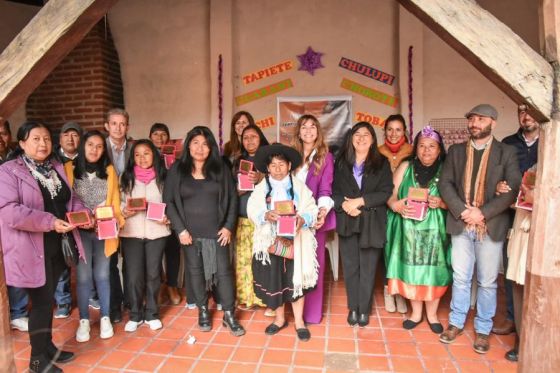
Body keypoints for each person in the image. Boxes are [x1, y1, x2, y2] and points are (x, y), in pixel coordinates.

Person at [0, 121, 86, 373]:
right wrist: (50, 222)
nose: (42, 143)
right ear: (22, 143)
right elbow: (9, 212)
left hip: (56, 245)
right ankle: (37, 361)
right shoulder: (8, 171)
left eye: (47, 138)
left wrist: (83, 214)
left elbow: (71, 200)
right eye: (35, 138)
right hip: (30, 247)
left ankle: (47, 347)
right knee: (39, 303)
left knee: (47, 300)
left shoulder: (55, 167)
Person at [438, 104, 521, 354]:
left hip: (490, 225)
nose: (474, 123)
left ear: (493, 123)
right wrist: (464, 211)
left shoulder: (506, 152)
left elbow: (512, 190)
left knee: (487, 281)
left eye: (480, 119)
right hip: (461, 222)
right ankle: (455, 322)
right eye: (472, 119)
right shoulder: (456, 151)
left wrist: (481, 213)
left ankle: (483, 329)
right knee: (461, 277)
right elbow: (445, 183)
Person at [164, 126, 245, 336]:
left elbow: (233, 199)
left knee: (224, 273)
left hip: (218, 233)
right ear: (188, 145)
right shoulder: (176, 170)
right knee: (195, 272)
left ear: (211, 148)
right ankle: (202, 310)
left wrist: (228, 227)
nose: (200, 148)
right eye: (196, 143)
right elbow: (169, 202)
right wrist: (180, 230)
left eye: (205, 144)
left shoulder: (221, 169)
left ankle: (228, 313)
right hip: (189, 235)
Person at [247, 143, 318, 341]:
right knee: (274, 280)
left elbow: (311, 208)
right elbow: (251, 208)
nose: (277, 169)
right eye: (273, 165)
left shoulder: (299, 187)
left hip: (296, 241)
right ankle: (279, 319)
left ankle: (299, 322)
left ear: (289, 166)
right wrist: (265, 214)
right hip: (270, 243)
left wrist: (303, 218)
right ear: (268, 168)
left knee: (296, 282)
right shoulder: (262, 188)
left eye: (281, 164)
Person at [385, 126, 450, 334]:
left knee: (434, 270)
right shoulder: (406, 166)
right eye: (422, 146)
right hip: (408, 227)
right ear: (416, 148)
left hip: (435, 229)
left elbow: (457, 202)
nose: (426, 151)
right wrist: (395, 204)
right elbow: (390, 193)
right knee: (410, 267)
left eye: (432, 146)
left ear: (439, 150)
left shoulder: (447, 168)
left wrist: (441, 203)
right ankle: (415, 313)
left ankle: (432, 315)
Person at [64, 130, 124, 343]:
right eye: (90, 144)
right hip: (80, 233)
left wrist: (116, 221)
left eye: (99, 146)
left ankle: (105, 316)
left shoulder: (109, 171)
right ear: (83, 145)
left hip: (103, 232)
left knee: (103, 275)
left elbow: (115, 203)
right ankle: (84, 320)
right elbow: (65, 202)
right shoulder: (69, 169)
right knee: (83, 277)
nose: (94, 150)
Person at [332, 122, 393, 327]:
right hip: (348, 219)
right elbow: (334, 191)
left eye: (366, 134)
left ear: (373, 139)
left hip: (372, 221)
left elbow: (386, 192)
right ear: (351, 138)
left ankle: (364, 309)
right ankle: (353, 307)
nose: (361, 138)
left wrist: (360, 201)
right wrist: (345, 205)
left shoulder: (381, 162)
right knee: (350, 267)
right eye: (357, 134)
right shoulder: (340, 162)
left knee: (368, 267)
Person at [492, 104, 539, 336]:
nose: (526, 115)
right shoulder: (508, 143)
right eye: (521, 110)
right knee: (511, 266)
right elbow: (496, 175)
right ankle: (513, 318)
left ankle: (535, 323)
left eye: (531, 110)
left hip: (544, 219)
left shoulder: (553, 140)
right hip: (512, 215)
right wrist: (498, 185)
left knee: (538, 269)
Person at [120, 140, 171, 332]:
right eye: (137, 154)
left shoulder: (164, 177)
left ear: (155, 155)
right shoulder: (125, 177)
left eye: (147, 153)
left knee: (153, 274)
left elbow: (172, 202)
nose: (142, 158)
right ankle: (135, 314)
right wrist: (123, 211)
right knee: (134, 276)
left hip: (157, 233)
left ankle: (152, 313)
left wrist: (167, 218)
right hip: (131, 232)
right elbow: (118, 202)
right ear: (132, 158)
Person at [292, 114, 335, 324]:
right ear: (298, 132)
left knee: (313, 265)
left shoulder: (325, 156)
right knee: (291, 263)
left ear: (318, 131)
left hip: (315, 216)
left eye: (312, 127)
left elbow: (326, 188)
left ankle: (311, 314)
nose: (308, 131)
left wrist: (322, 212)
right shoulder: (291, 156)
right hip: (290, 218)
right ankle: (293, 310)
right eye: (304, 127)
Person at [500, 165, 536, 362]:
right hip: (522, 229)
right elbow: (517, 194)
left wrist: (536, 197)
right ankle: (521, 339)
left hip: (547, 238)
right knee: (518, 284)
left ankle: (538, 341)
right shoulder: (534, 168)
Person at [378, 114, 412, 314]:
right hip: (383, 207)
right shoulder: (378, 152)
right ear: (384, 131)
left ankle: (401, 292)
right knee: (387, 250)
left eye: (398, 129)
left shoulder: (413, 152)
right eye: (390, 129)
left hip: (406, 208)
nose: (393, 133)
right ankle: (388, 290)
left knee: (403, 250)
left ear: (404, 131)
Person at [232, 124, 269, 310]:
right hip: (243, 217)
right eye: (245, 137)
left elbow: (279, 184)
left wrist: (260, 178)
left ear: (260, 137)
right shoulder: (237, 161)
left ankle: (265, 299)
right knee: (244, 259)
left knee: (263, 258)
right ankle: (246, 297)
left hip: (264, 220)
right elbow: (229, 191)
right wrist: (238, 190)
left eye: (253, 136)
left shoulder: (270, 159)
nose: (249, 140)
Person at [149, 123, 183, 306]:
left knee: (172, 250)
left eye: (164, 134)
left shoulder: (176, 159)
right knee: (155, 251)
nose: (160, 138)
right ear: (150, 136)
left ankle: (172, 285)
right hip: (152, 209)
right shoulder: (146, 157)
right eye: (156, 134)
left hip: (172, 209)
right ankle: (159, 286)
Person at [104, 108, 133, 323]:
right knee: (110, 260)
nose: (118, 128)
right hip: (108, 209)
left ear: (127, 126)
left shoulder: (134, 148)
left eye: (122, 124)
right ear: (107, 126)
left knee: (130, 259)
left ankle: (131, 301)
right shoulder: (98, 146)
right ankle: (115, 305)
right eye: (114, 123)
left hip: (131, 208)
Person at [54, 121, 84, 319]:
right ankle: (63, 301)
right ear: (60, 139)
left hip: (83, 215)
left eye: (75, 135)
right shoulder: (52, 160)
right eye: (67, 135)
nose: (70, 139)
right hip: (59, 215)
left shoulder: (86, 158)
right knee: (61, 259)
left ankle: (91, 295)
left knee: (84, 256)